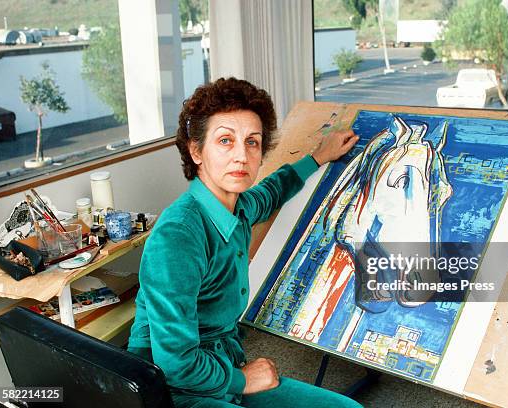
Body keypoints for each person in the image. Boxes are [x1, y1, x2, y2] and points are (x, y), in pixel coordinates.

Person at [127, 77, 362, 408]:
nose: (241, 156)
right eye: (225, 140)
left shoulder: (238, 206)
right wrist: (243, 379)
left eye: (252, 142)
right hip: (171, 389)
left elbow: (272, 190)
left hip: (221, 364)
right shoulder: (178, 235)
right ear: (196, 150)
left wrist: (319, 156)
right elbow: (175, 364)